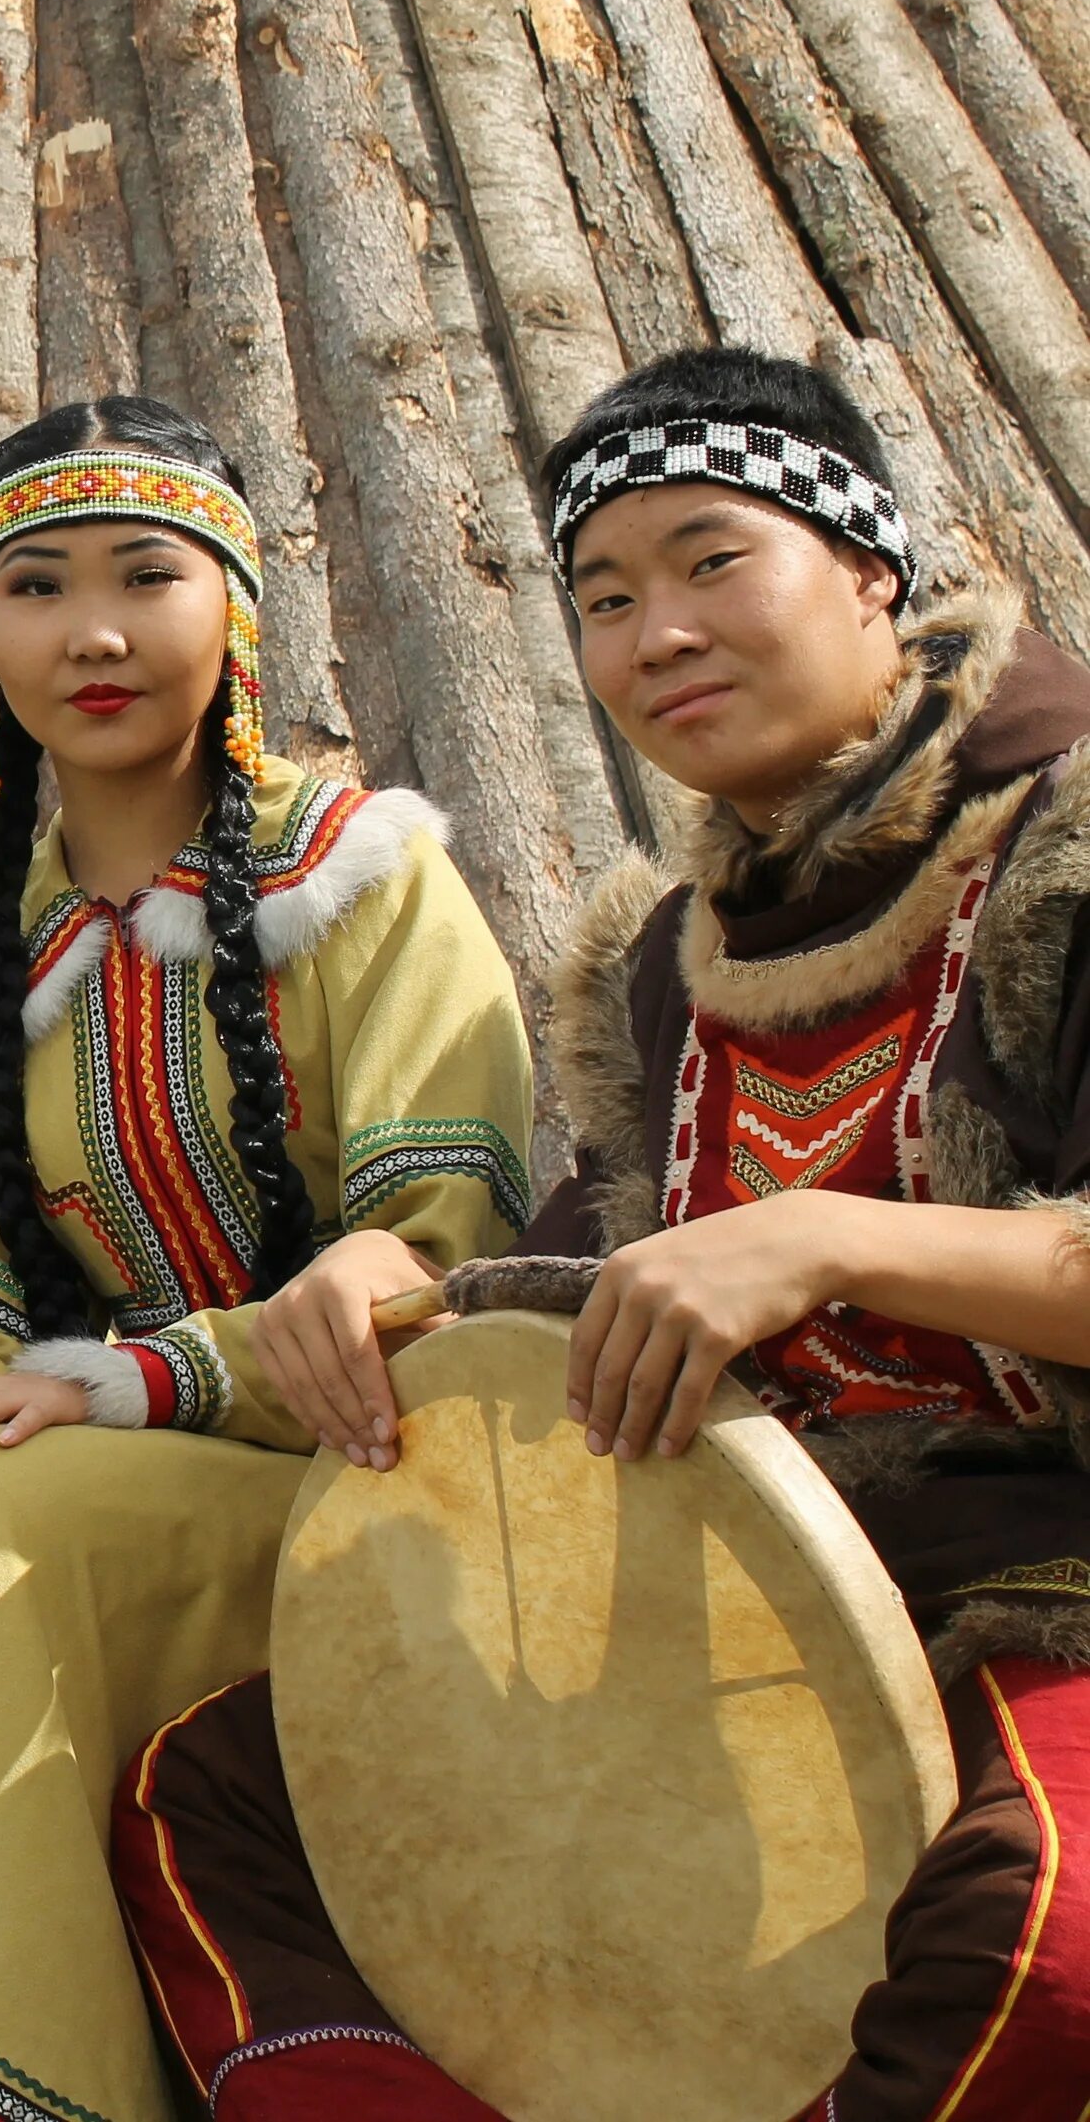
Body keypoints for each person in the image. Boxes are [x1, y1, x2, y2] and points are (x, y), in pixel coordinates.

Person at [116, 348, 1090, 2118]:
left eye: (715, 560)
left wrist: (833, 1239)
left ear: (874, 568)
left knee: (1042, 1929)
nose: (658, 635)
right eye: (607, 595)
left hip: (1057, 1575)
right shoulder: (665, 960)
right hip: (729, 1589)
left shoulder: (1071, 841)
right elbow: (575, 1257)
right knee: (221, 1796)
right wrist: (389, 1280)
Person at [0, 399, 535, 2122]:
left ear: (234, 607)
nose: (92, 631)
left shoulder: (367, 875)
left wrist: (148, 1371)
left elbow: (437, 1239)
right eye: (35, 585)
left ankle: (21, 2084)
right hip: (106, 1449)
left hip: (361, 1473)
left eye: (145, 574)